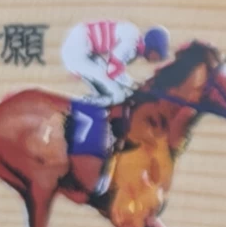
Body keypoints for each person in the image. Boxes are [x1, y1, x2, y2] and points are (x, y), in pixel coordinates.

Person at [60, 19, 166, 200]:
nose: (156, 59)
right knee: (116, 95)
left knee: (115, 91)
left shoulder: (133, 45)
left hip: (86, 51)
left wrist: (131, 85)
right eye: (157, 55)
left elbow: (113, 68)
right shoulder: (131, 43)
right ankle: (83, 107)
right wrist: (134, 84)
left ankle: (93, 106)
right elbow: (113, 70)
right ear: (151, 48)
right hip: (77, 51)